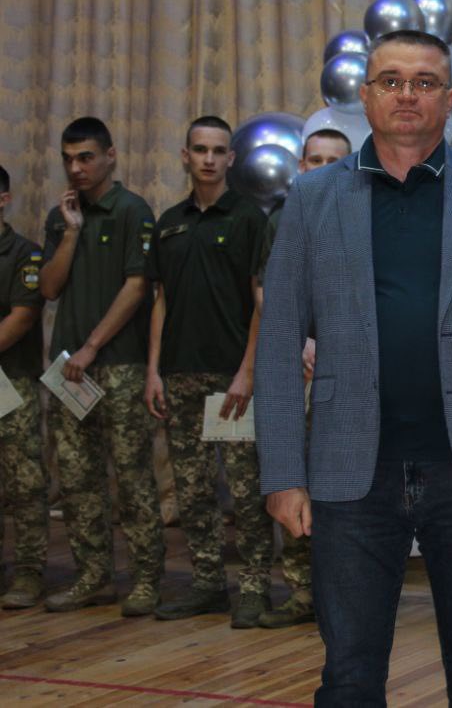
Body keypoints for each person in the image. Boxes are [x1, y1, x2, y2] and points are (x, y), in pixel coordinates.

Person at [254, 29, 452, 706]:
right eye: (392, 81)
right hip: (349, 471)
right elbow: (278, 342)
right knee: (347, 676)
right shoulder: (311, 200)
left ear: (449, 98)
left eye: (424, 82)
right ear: (366, 95)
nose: (407, 95)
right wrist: (282, 473)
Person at [143, 116, 271, 626]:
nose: (209, 159)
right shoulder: (169, 222)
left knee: (245, 488)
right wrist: (154, 370)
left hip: (230, 377)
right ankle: (207, 583)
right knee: (192, 488)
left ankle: (255, 587)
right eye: (200, 150)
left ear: (231, 159)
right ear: (186, 156)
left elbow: (261, 301)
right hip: (179, 374)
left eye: (219, 151)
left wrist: (247, 371)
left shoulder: (248, 218)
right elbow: (160, 300)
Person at [39, 117, 165, 616]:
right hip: (68, 369)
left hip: (118, 364)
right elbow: (49, 288)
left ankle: (148, 579)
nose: (76, 168)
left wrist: (92, 346)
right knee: (76, 478)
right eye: (68, 159)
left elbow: (138, 287)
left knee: (132, 477)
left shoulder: (132, 210)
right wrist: (71, 233)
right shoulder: (61, 216)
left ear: (110, 156)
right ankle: (93, 577)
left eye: (86, 157)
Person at [251, 126, 350, 630]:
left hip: (350, 373)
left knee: (343, 489)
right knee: (297, 475)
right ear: (301, 166)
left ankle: (345, 592)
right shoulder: (286, 216)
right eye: (316, 160)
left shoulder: (365, 214)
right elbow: (265, 290)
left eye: (336, 160)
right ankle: (300, 589)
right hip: (300, 367)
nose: (324, 169)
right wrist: (298, 339)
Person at [0, 165, 48, 609]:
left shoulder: (23, 253)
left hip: (10, 381)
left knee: (24, 481)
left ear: (4, 199)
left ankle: (30, 570)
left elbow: (22, 317)